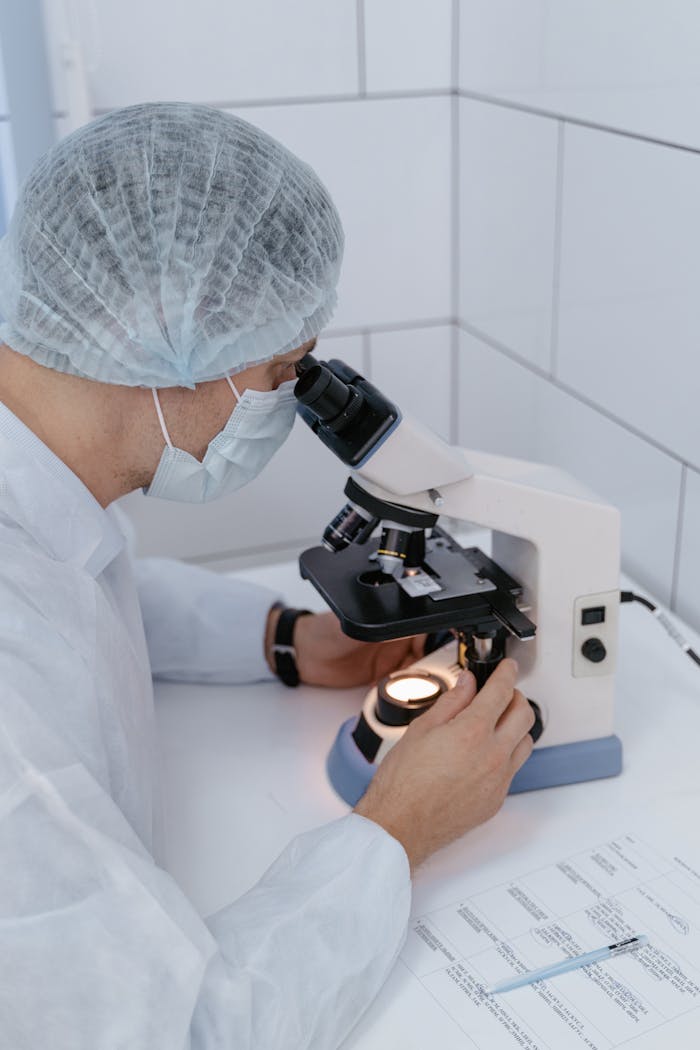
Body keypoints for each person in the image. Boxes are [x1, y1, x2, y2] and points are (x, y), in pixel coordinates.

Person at [0, 103, 534, 1048]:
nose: (292, 401)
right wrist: (396, 830)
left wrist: (290, 640)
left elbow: (89, 593)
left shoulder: (37, 490)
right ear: (173, 338)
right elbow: (185, 1033)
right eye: (287, 367)